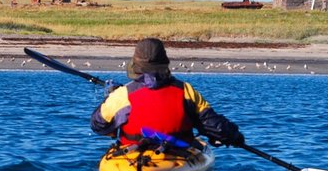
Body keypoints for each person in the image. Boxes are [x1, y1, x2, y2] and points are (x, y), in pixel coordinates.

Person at [90, 38, 245, 148]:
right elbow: (215, 126)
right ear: (164, 64)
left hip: (132, 157)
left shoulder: (122, 95)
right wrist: (235, 137)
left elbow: (98, 125)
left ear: (136, 66)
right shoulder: (186, 91)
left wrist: (109, 97)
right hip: (178, 156)